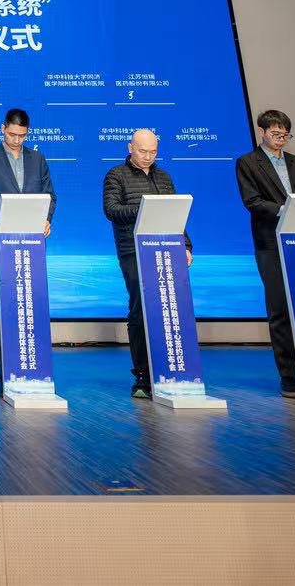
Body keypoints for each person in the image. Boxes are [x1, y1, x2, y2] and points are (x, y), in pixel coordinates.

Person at [235, 109, 295, 399]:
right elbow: (252, 201)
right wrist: (286, 210)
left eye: (285, 134)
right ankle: (289, 376)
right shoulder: (248, 162)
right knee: (280, 309)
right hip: (270, 243)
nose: (281, 139)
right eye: (275, 134)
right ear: (261, 132)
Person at [101, 128, 191, 399]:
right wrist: (146, 206)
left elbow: (176, 214)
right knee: (140, 309)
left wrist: (186, 245)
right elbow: (111, 210)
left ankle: (172, 369)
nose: (148, 156)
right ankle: (142, 375)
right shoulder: (116, 175)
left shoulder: (163, 177)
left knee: (170, 308)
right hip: (133, 250)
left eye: (153, 152)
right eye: (143, 151)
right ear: (130, 148)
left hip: (166, 249)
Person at [0, 108, 55, 396]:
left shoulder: (38, 159)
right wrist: (12, 208)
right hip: (3, 239)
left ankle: (36, 369)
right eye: (12, 134)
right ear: (2, 128)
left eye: (22, 136)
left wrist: (46, 218)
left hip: (33, 241)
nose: (16, 140)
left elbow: (50, 196)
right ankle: (6, 373)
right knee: (6, 303)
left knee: (33, 301)